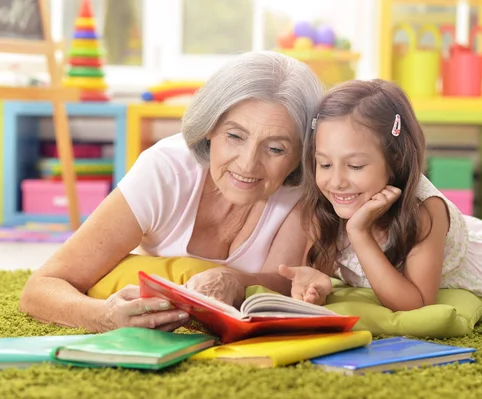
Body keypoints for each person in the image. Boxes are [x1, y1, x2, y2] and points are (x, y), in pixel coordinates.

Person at [19, 51, 323, 332]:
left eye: (275, 148)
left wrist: (236, 280)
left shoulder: (302, 189)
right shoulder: (164, 171)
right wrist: (103, 317)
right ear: (210, 128)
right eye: (234, 136)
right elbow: (41, 287)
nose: (248, 164)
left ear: (301, 154)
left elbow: (280, 282)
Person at [280, 79, 482, 313]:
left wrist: (359, 233)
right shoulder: (326, 201)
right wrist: (315, 282)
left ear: (396, 159)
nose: (336, 180)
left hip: (481, 272)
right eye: (324, 163)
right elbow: (322, 269)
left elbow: (416, 303)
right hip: (467, 245)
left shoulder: (423, 210)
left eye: (355, 165)